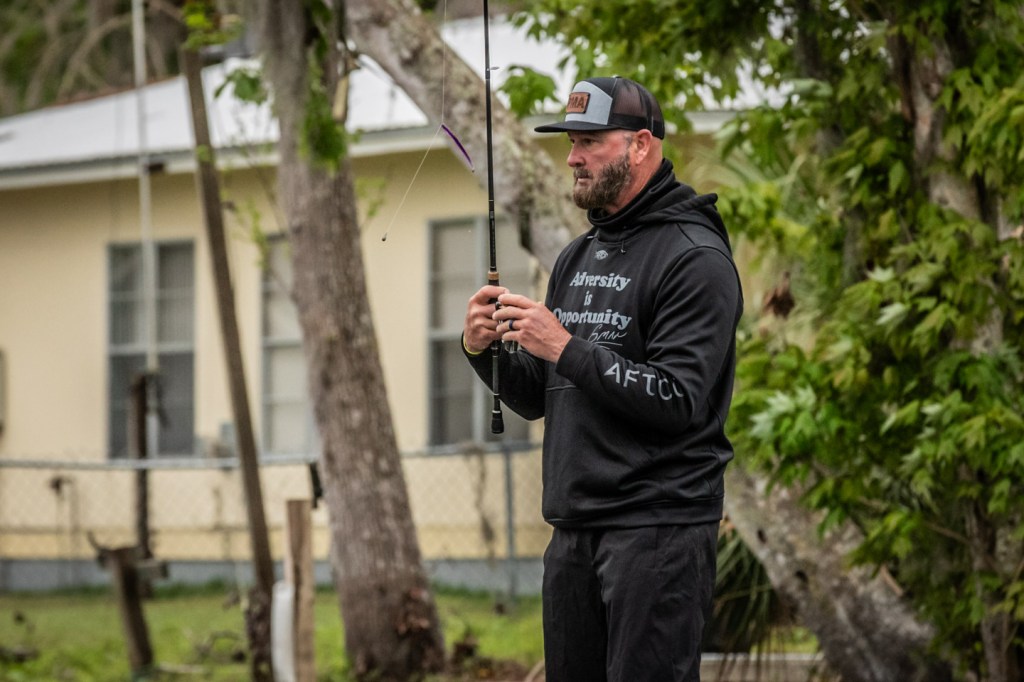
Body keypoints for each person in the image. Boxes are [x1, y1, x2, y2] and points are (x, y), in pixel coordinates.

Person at [462, 76, 743, 682]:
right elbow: (540, 397)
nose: (573, 157)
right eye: (571, 141)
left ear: (640, 145)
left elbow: (677, 399)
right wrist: (483, 349)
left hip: (658, 532)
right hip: (573, 533)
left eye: (589, 141)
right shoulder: (576, 256)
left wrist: (564, 347)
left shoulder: (694, 257)